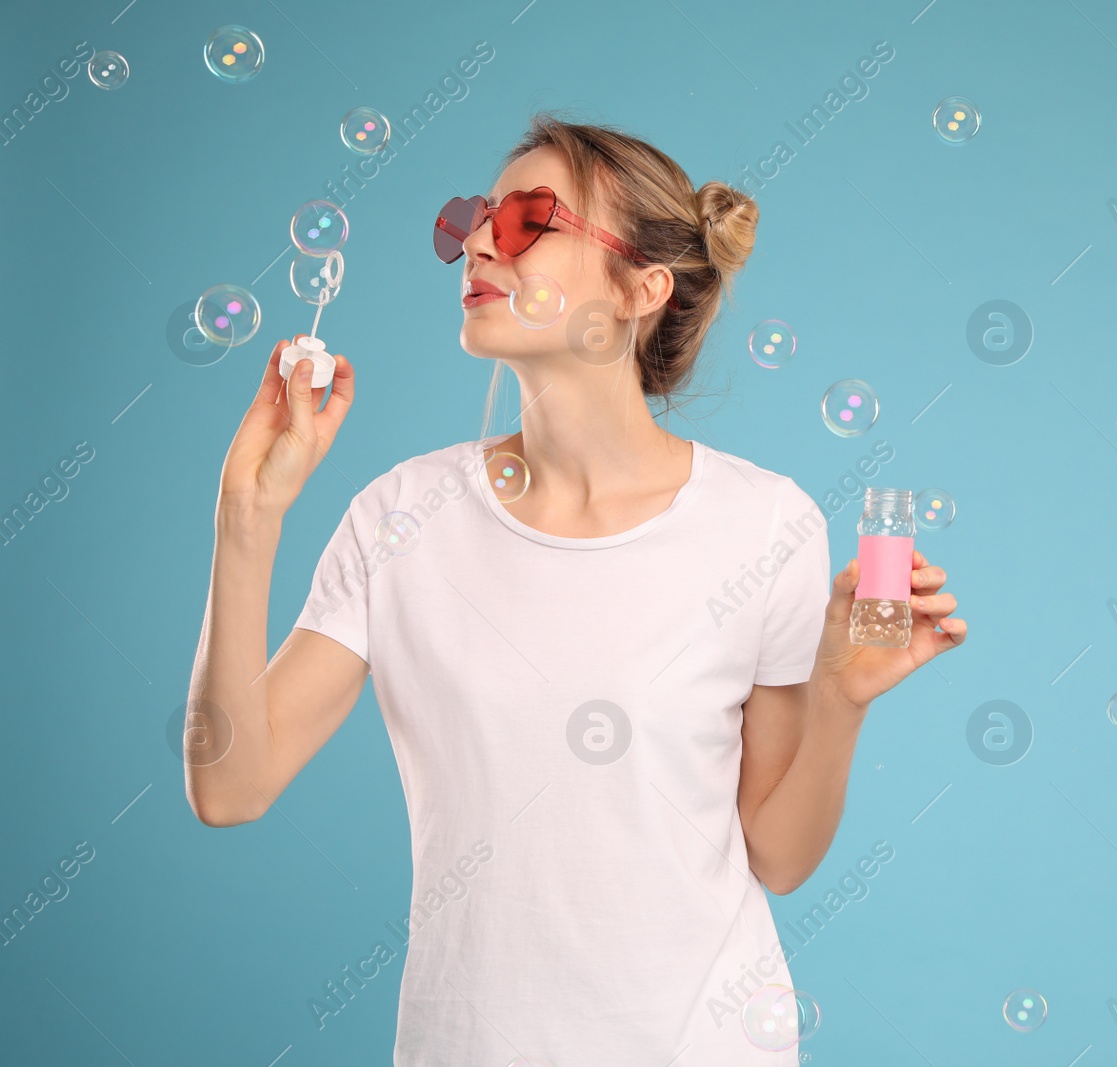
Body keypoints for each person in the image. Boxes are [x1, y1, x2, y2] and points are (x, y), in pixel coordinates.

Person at [185, 112, 965, 1065]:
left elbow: (781, 857)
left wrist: (841, 694)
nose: (476, 240)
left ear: (642, 288)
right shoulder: (403, 515)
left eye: (528, 221)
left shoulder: (766, 525)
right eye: (477, 217)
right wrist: (246, 519)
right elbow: (230, 784)